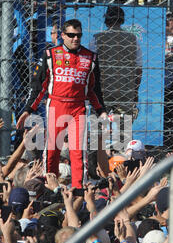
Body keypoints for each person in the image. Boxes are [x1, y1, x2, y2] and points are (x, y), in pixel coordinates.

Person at [16, 19, 107, 190]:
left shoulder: (91, 57)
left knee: (78, 152)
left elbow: (94, 89)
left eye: (79, 35)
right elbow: (40, 86)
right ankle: (49, 187)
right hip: (56, 106)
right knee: (52, 149)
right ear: (63, 35)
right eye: (71, 35)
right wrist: (29, 110)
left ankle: (78, 189)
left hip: (79, 108)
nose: (75, 39)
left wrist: (101, 111)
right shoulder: (51, 55)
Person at [91, 6, 142, 116]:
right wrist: (135, 90)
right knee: (124, 129)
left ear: (106, 20)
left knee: (98, 128)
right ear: (122, 20)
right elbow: (139, 69)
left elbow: (90, 67)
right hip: (125, 89)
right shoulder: (133, 39)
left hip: (103, 89)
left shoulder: (97, 38)